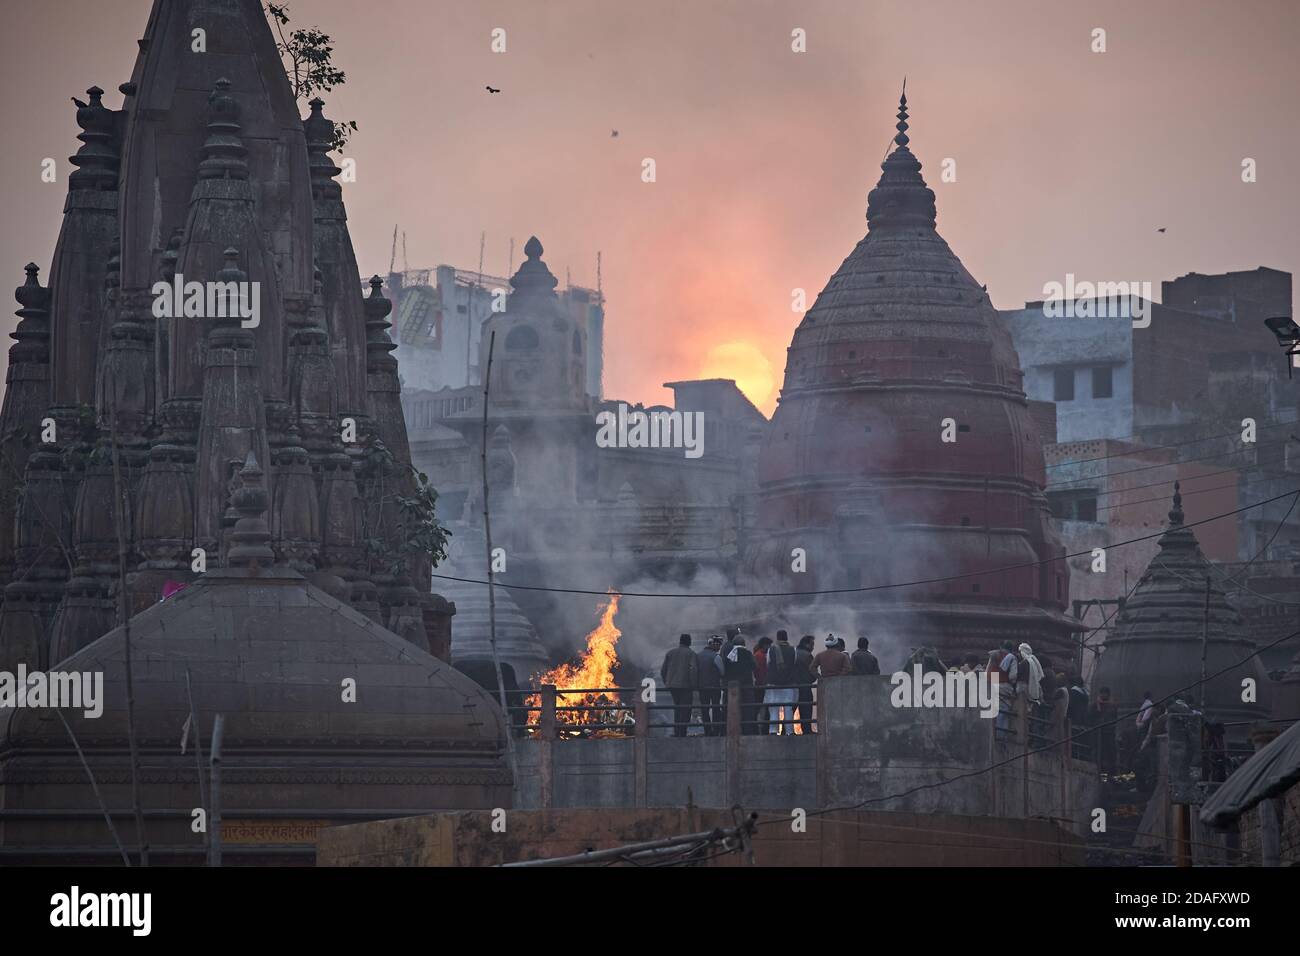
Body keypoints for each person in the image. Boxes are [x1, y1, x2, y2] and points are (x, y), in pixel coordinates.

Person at [660, 633, 698, 737]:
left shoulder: (670, 653)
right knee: (685, 710)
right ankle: (682, 732)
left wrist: (667, 682)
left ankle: (677, 731)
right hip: (686, 686)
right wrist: (694, 685)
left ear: (680, 641)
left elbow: (663, 670)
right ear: (689, 642)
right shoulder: (691, 654)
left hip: (673, 686)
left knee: (677, 708)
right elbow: (693, 670)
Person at [722, 634, 758, 734]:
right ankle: (748, 730)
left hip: (733, 687)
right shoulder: (748, 653)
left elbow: (724, 669)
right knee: (748, 709)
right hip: (747, 686)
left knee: (733, 709)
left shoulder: (730, 655)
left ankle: (731, 731)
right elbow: (755, 666)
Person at [765, 630, 799, 734]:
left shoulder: (771, 650)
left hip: (773, 684)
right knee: (788, 708)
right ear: (786, 637)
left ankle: (773, 731)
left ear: (777, 638)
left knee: (774, 708)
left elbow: (768, 664)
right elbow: (794, 664)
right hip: (788, 684)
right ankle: (790, 731)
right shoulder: (793, 650)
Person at [696, 635, 724, 736]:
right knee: (716, 708)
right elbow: (722, 671)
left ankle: (707, 730)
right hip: (714, 686)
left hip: (702, 687)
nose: (719, 647)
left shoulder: (698, 656)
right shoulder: (716, 656)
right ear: (714, 644)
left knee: (705, 709)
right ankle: (716, 730)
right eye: (719, 645)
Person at [1090, 685, 1118, 775]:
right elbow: (1090, 717)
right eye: (1102, 693)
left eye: (1105, 694)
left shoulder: (1112, 706)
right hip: (1097, 735)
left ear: (1108, 695)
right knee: (1098, 755)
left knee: (1110, 756)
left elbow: (1112, 718)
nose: (1103, 695)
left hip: (1109, 734)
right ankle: (1099, 773)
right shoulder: (1095, 705)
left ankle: (1110, 776)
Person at [794, 635, 816, 733]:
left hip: (793, 687)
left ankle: (786, 731)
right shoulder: (808, 656)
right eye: (812, 644)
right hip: (805, 687)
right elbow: (812, 672)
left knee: (791, 709)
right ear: (806, 644)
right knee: (806, 711)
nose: (813, 647)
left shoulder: (793, 652)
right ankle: (807, 731)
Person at [753, 637, 773, 733]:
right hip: (761, 686)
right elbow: (761, 672)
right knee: (763, 708)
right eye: (769, 645)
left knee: (760, 708)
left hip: (761, 685)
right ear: (764, 645)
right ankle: (764, 729)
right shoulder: (760, 656)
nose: (770, 647)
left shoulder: (758, 655)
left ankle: (760, 729)